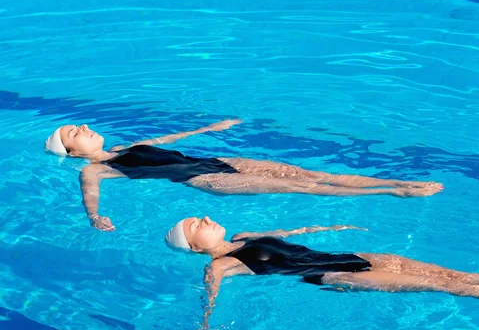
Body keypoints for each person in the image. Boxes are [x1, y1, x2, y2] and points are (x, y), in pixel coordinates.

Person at [165, 216, 479, 330]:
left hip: (347, 254)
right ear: (196, 245)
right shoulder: (217, 265)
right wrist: (206, 323)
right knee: (442, 286)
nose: (204, 217)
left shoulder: (243, 234)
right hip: (332, 274)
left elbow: (287, 235)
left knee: (452, 272)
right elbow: (212, 294)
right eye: (195, 224)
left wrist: (327, 229)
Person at [44, 120, 443, 231]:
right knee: (303, 188)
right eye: (72, 135)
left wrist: (208, 130)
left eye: (77, 126)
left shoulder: (126, 147)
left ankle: (395, 181)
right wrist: (96, 218)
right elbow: (91, 198)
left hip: (219, 160)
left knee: (307, 172)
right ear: (72, 153)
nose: (81, 130)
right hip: (208, 181)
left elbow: (170, 138)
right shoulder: (97, 169)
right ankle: (392, 194)